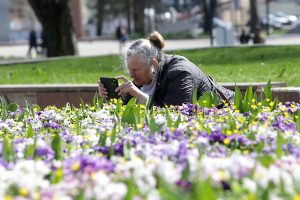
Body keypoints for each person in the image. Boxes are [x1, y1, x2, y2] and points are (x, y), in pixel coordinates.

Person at [98, 31, 234, 107]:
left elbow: (175, 115)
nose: (132, 76)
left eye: (136, 70)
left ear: (154, 64)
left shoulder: (179, 73)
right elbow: (129, 112)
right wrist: (111, 97)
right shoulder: (143, 78)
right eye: (130, 70)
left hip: (229, 114)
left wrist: (139, 96)